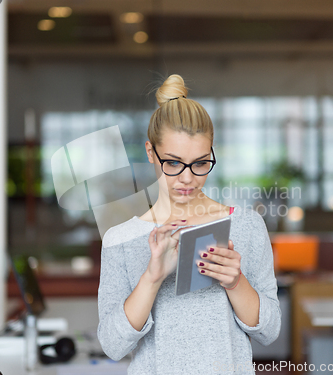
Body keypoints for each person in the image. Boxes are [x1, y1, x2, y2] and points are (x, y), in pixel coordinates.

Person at [97, 74, 281, 374]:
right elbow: (113, 346)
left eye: (200, 163)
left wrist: (236, 283)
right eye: (173, 162)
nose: (187, 177)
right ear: (150, 153)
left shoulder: (246, 226)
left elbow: (269, 332)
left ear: (211, 153)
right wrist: (152, 278)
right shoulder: (121, 239)